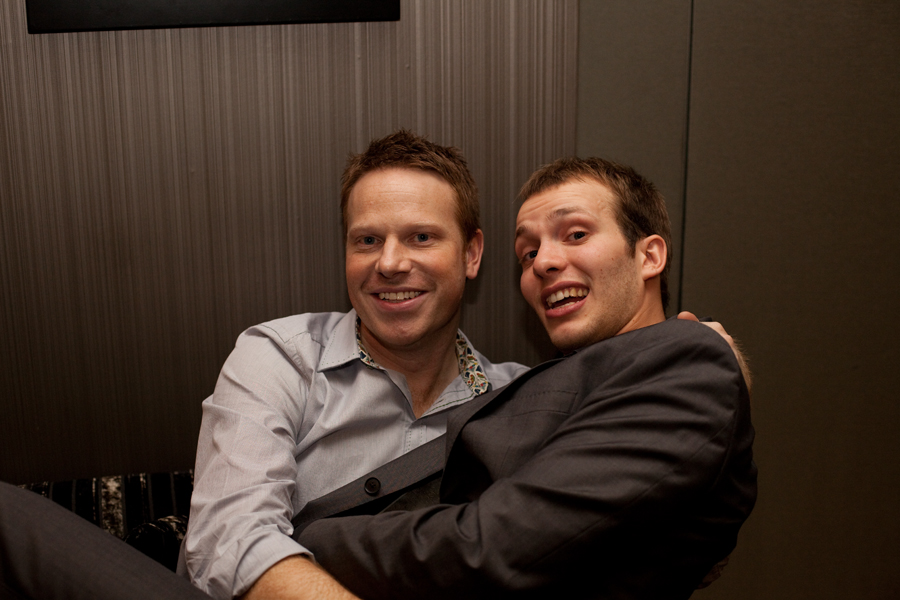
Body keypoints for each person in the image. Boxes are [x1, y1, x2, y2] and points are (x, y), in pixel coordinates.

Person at [283, 157, 757, 600]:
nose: (543, 262)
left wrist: (305, 540)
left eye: (575, 234)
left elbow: (491, 548)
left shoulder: (688, 358)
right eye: (528, 253)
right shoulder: (544, 382)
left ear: (649, 255)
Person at [180, 130, 528, 599]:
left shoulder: (516, 402)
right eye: (367, 240)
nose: (390, 263)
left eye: (421, 237)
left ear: (471, 253)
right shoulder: (281, 358)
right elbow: (228, 539)